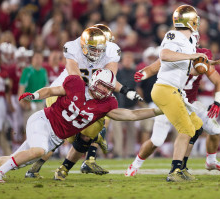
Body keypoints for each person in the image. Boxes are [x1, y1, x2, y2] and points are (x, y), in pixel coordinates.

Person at [0, 69, 162, 183]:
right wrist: (34, 95)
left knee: (20, 160)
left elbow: (132, 114)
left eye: (108, 88)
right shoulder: (75, 83)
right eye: (102, 85)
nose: (104, 90)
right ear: (94, 80)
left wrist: (159, 111)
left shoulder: (107, 105)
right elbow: (51, 90)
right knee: (38, 150)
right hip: (43, 121)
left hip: (56, 137)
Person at [25, 25, 143, 179]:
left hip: (88, 95)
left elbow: (109, 80)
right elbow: (76, 80)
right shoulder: (73, 49)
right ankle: (33, 167)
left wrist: (124, 90)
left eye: (102, 47)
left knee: (87, 134)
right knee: (59, 134)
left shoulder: (111, 52)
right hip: (65, 93)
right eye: (95, 47)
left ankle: (66, 168)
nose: (98, 52)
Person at [126, 5, 208, 182]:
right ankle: (175, 170)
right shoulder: (174, 35)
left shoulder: (189, 42)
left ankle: (182, 166)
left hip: (175, 91)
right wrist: (192, 57)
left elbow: (167, 64)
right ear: (189, 21)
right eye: (196, 20)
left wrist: (204, 65)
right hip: (165, 89)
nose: (198, 23)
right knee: (185, 129)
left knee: (197, 125)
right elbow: (164, 55)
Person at [126, 45, 220, 179]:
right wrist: (144, 73)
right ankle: (135, 165)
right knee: (157, 141)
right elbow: (154, 67)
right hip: (171, 100)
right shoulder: (176, 55)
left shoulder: (203, 59)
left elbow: (218, 82)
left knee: (214, 129)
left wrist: (217, 102)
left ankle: (208, 162)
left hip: (191, 103)